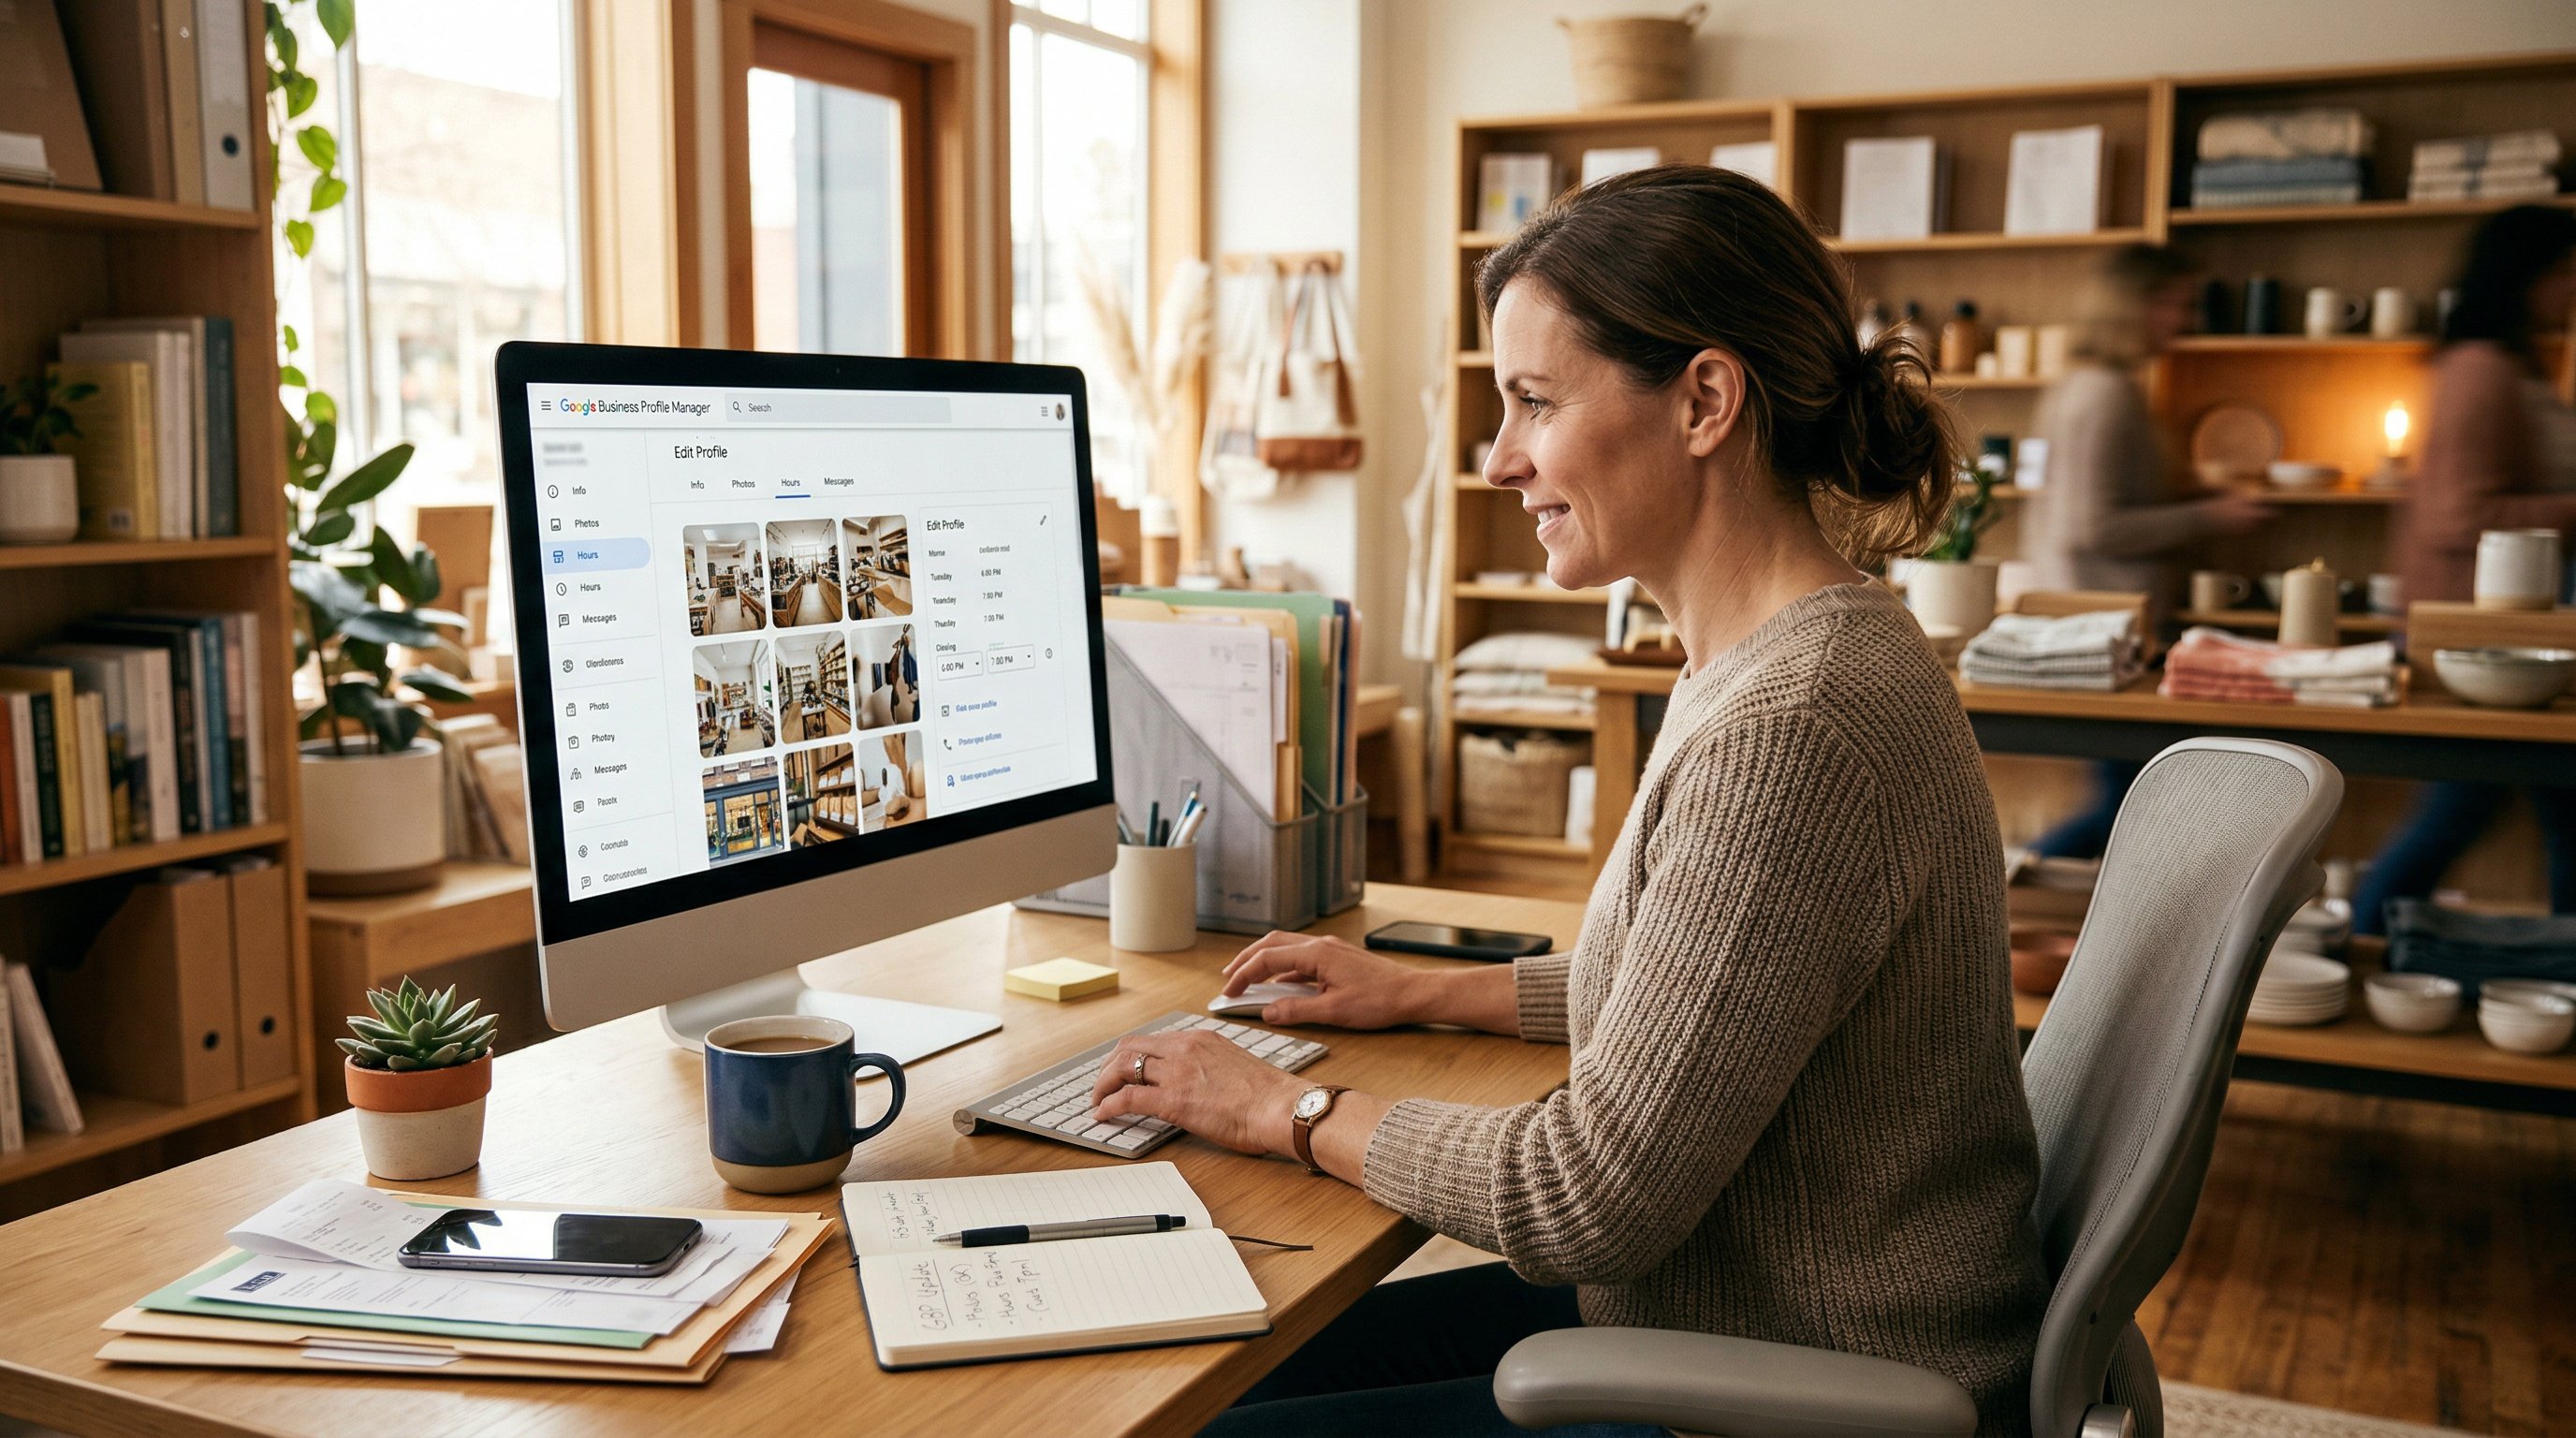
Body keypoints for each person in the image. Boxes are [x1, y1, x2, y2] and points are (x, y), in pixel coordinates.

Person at [1084, 165, 2049, 1437]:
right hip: (1725, 1323)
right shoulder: (1771, 656)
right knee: (1212, 1359)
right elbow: (1688, 994)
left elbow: (1583, 1198)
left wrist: (1281, 1108)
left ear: (1704, 400)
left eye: (1534, 401)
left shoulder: (1795, 723)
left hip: (1793, 1380)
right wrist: (1415, 991)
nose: (1500, 460)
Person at [2357, 205, 2576, 934]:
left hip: (2496, 642)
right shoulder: (2482, 369)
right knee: (2459, 813)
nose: (2571, 289)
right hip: (2472, 645)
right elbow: (2458, 516)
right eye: (2564, 274)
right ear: (2527, 278)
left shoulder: (2501, 363)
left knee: (2532, 811)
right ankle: (2355, 943)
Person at [2020, 243, 2272, 859]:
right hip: (2103, 627)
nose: (2185, 321)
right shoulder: (2106, 394)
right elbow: (2094, 527)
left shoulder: (2087, 386)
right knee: (2128, 806)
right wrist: (2210, 515)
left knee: (2132, 800)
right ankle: (2007, 898)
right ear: (2132, 307)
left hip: (2095, 623)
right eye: (2174, 304)